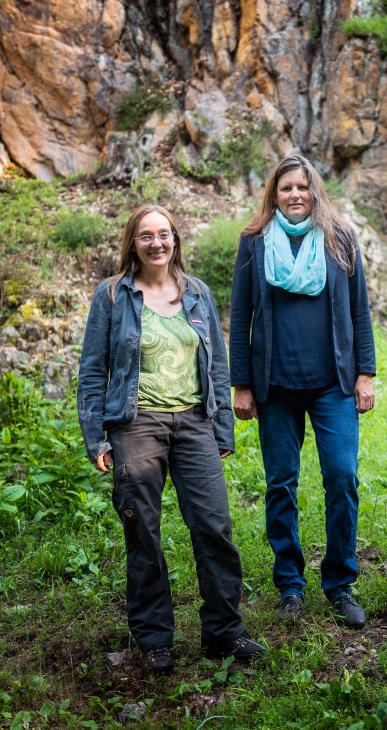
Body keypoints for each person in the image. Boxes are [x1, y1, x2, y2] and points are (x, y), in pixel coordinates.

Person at [77, 204, 264, 675]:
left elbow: (217, 366)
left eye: (164, 234)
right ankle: (155, 638)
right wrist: (96, 436)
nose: (157, 243)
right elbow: (93, 370)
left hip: (195, 424)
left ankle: (224, 631)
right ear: (133, 243)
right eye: (146, 236)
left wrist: (222, 427)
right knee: (143, 532)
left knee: (214, 526)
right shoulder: (113, 296)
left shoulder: (196, 293)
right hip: (137, 424)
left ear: (175, 239)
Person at [229, 154, 376, 629]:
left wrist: (365, 374)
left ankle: (339, 583)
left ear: (315, 191)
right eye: (285, 187)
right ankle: (290, 584)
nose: (295, 195)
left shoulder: (338, 238)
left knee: (342, 478)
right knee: (280, 485)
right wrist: (242, 384)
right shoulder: (253, 243)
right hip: (276, 387)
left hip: (333, 383)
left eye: (302, 187)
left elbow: (359, 312)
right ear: (273, 194)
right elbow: (240, 316)